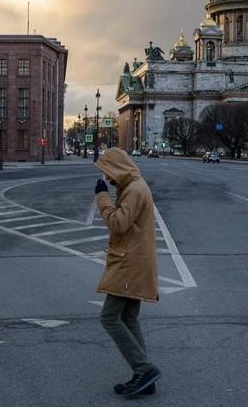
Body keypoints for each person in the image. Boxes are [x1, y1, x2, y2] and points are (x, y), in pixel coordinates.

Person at [94, 148, 161, 396]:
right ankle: (144, 376)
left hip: (129, 263)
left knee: (109, 317)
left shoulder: (133, 190)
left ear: (118, 168)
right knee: (129, 318)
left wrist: (102, 197)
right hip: (136, 261)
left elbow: (118, 223)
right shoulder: (134, 185)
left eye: (108, 173)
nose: (108, 179)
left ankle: (144, 369)